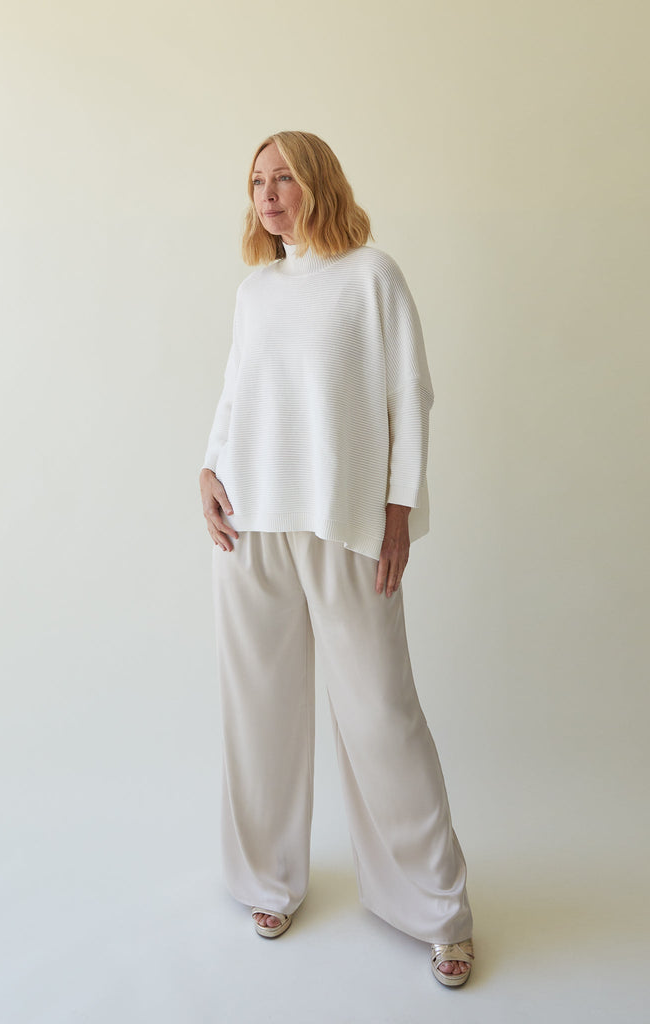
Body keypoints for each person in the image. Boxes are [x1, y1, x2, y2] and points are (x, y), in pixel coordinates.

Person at [200, 131, 474, 988]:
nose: (267, 192)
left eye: (282, 176)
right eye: (255, 180)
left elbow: (410, 397)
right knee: (258, 710)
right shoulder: (254, 291)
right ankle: (265, 880)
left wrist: (396, 510)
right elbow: (239, 391)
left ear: (317, 182)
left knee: (380, 714)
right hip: (248, 523)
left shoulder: (370, 276)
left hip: (341, 523)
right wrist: (208, 464)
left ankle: (436, 911)